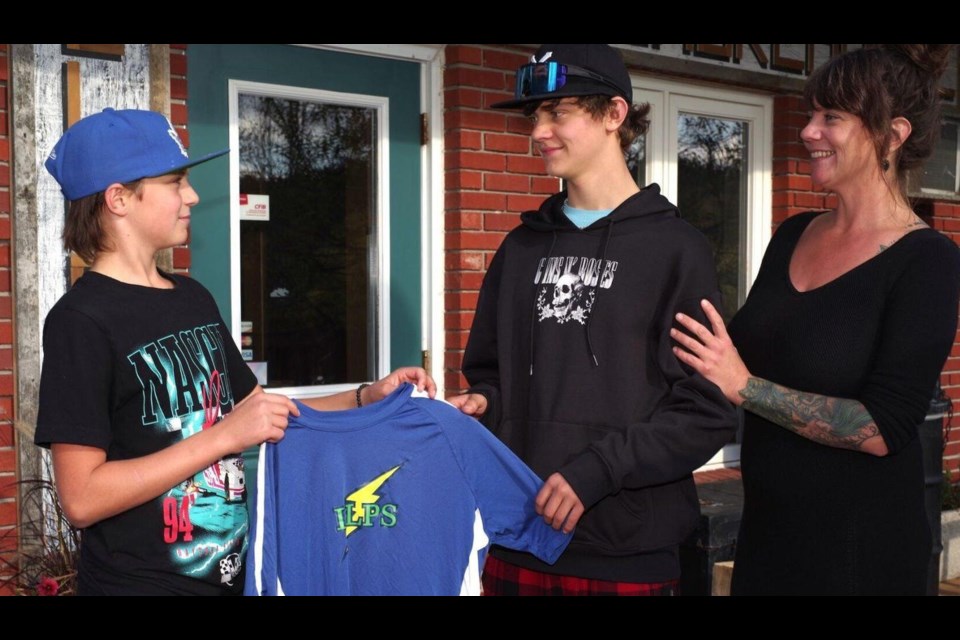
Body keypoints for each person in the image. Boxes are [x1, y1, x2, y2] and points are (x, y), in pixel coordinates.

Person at [34, 108, 434, 595]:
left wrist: (365, 396)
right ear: (119, 198)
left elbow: (253, 411)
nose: (193, 197)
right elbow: (81, 497)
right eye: (176, 182)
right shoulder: (80, 321)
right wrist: (223, 437)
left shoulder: (191, 297)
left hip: (230, 580)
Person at [449, 44, 739, 595]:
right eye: (535, 116)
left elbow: (706, 409)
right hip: (518, 537)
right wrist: (486, 403)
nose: (539, 131)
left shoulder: (676, 250)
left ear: (613, 115)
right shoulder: (519, 249)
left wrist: (597, 471)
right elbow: (491, 376)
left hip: (625, 551)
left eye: (559, 112)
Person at [671, 44, 960, 595]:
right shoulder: (792, 235)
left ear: (892, 135)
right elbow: (725, 358)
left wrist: (745, 387)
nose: (808, 131)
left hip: (858, 556)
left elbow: (882, 428)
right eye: (810, 115)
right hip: (768, 540)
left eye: (831, 118)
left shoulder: (927, 261)